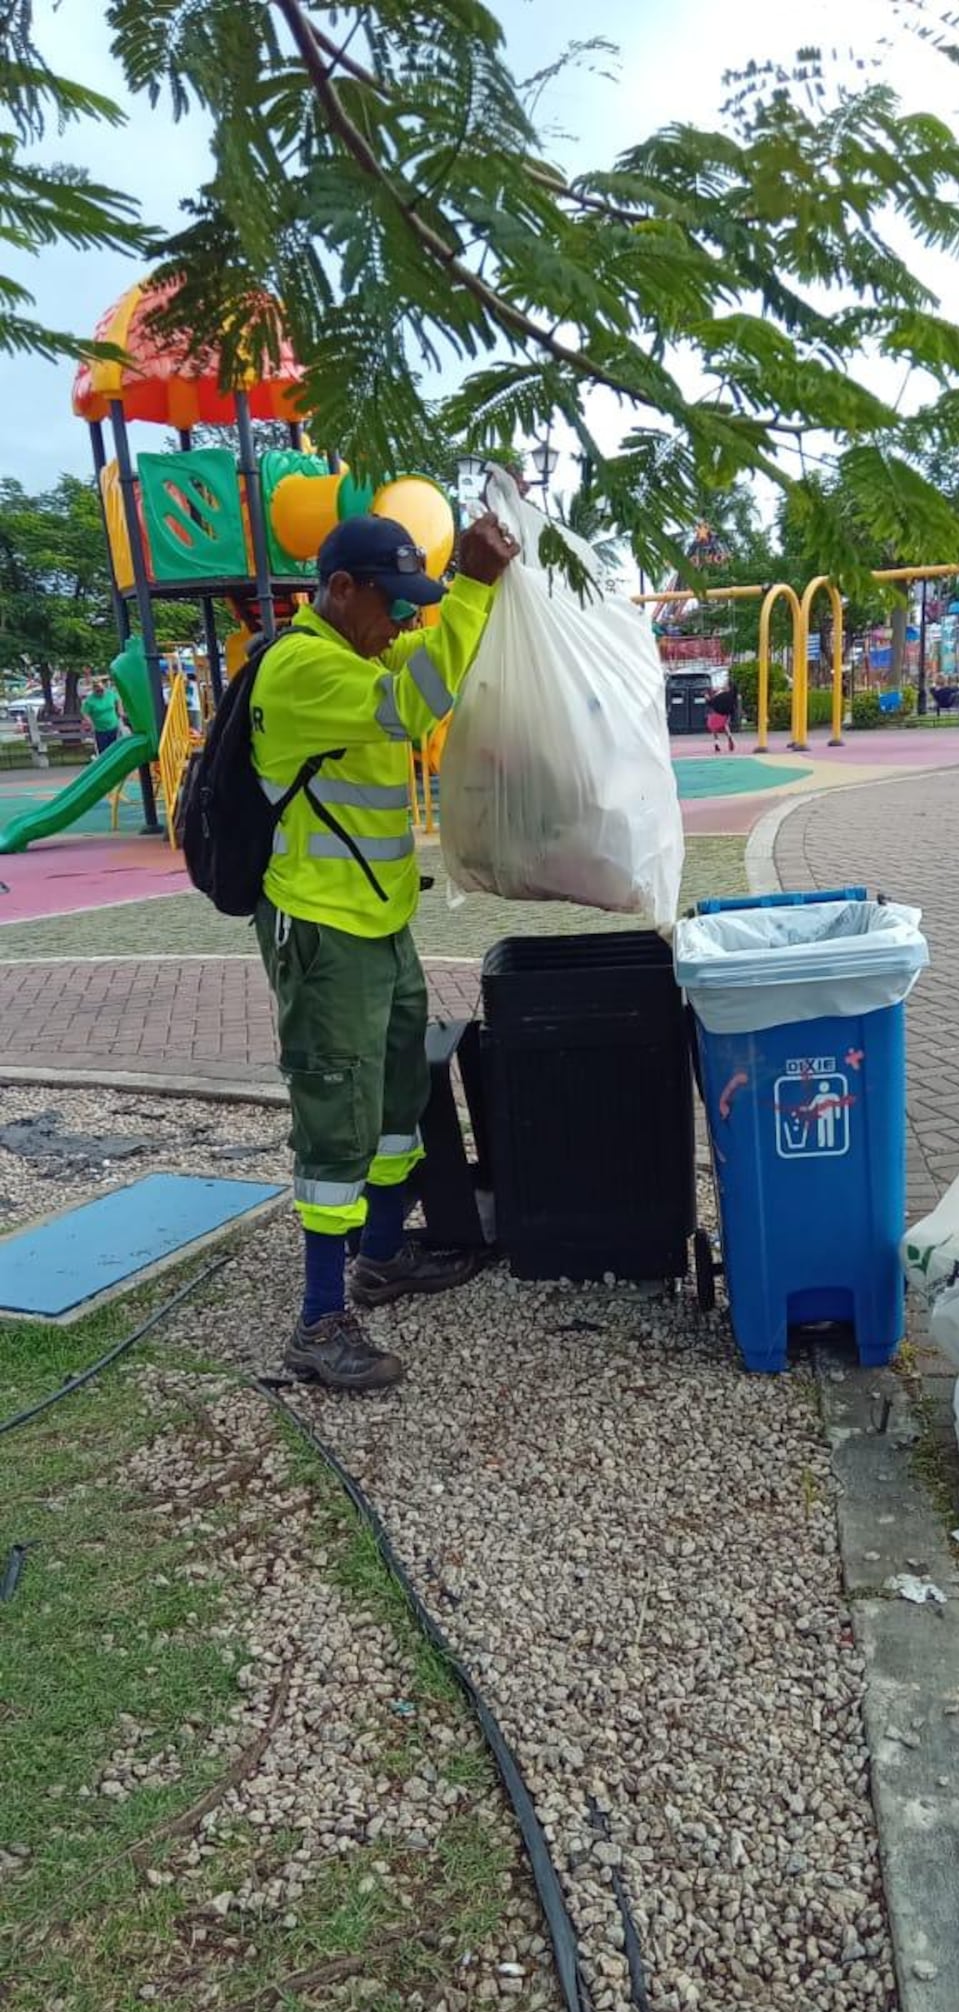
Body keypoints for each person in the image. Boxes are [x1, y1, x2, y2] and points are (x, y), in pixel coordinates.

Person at [250, 510, 518, 1390]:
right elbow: (418, 697)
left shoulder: (359, 652)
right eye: (392, 601)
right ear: (340, 590)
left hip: (380, 921)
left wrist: (481, 607)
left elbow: (428, 662)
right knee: (336, 1116)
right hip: (324, 932)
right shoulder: (301, 670)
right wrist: (472, 585)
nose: (406, 618)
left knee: (400, 1094)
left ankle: (378, 1257)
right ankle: (318, 1319)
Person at [82, 673, 123, 756]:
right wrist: (90, 723)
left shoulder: (110, 694)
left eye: (101, 690)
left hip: (114, 726)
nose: (100, 692)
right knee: (104, 753)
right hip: (100, 730)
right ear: (94, 690)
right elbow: (85, 712)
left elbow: (118, 699)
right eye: (98, 691)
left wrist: (120, 710)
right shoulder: (90, 700)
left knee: (115, 750)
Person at [705, 678, 739, 752]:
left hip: (717, 713)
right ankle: (730, 737)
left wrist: (707, 698)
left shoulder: (721, 694)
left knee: (713, 726)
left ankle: (716, 742)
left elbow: (712, 703)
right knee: (725, 725)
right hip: (726, 715)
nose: (723, 684)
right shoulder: (732, 695)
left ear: (728, 686)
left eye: (725, 683)